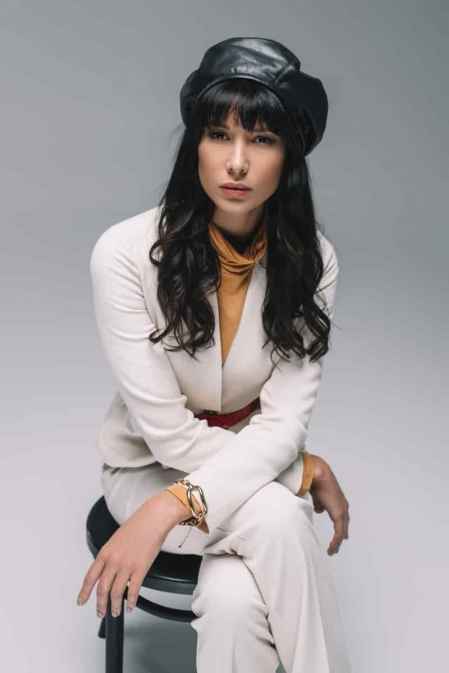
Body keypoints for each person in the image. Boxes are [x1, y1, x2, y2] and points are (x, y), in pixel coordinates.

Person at [77, 36, 351, 672]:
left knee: (232, 602)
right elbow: (170, 435)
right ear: (194, 145)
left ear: (289, 156)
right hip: (149, 471)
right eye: (218, 135)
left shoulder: (313, 260)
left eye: (262, 140)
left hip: (226, 474)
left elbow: (284, 421)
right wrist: (300, 472)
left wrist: (173, 510)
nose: (237, 162)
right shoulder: (123, 254)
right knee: (280, 520)